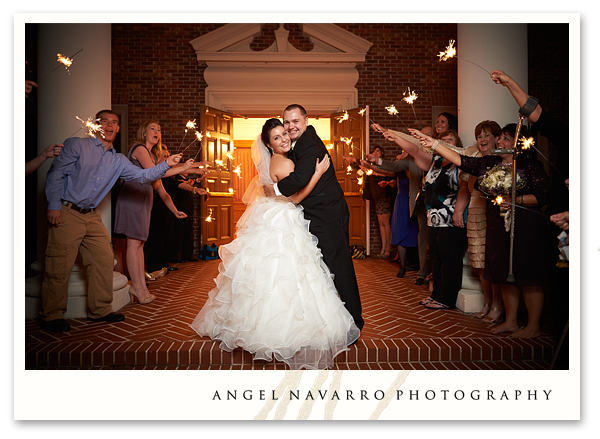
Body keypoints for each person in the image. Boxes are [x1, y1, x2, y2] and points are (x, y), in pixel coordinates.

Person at [191, 119, 360, 370]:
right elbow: (295, 197)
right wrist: (317, 173)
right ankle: (283, 327)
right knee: (285, 273)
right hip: (285, 216)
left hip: (281, 216)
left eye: (284, 134)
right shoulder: (280, 161)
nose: (284, 139)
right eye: (277, 138)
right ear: (269, 145)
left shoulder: (282, 157)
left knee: (284, 273)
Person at [41, 110, 187, 332]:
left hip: (91, 214)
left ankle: (99, 310)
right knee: (59, 264)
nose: (109, 126)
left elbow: (143, 176)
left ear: (118, 129)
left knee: (103, 259)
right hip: (66, 210)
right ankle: (51, 314)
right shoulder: (77, 145)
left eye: (114, 123)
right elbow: (55, 174)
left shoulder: (117, 159)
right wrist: (53, 205)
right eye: (105, 122)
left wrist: (167, 163)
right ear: (96, 126)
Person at [409, 123, 551, 338]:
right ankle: (510, 321)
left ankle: (533, 326)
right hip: (497, 222)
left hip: (525, 225)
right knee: (504, 272)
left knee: (528, 274)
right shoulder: (489, 163)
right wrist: (435, 143)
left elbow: (543, 196)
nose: (499, 142)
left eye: (504, 139)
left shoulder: (531, 166)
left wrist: (516, 199)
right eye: (500, 137)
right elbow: (461, 160)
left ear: (518, 144)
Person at [265, 105, 364, 331]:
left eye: (295, 121)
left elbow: (299, 178)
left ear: (306, 120)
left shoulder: (309, 142)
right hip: (318, 213)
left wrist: (274, 189)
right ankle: (328, 319)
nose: (291, 127)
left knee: (339, 267)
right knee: (320, 269)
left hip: (328, 214)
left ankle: (354, 322)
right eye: (287, 122)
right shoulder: (296, 145)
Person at [371, 123, 468, 310]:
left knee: (450, 260)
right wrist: (393, 135)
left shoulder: (460, 162)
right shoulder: (433, 162)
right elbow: (414, 150)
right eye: (443, 140)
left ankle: (447, 299)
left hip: (450, 220)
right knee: (437, 258)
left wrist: (458, 212)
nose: (446, 143)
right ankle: (436, 295)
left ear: (457, 145)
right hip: (433, 218)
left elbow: (464, 188)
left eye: (450, 140)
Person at [113, 120, 192, 304]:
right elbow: (153, 173)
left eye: (159, 129)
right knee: (133, 244)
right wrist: (181, 168)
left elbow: (162, 191)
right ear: (144, 132)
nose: (156, 131)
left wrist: (175, 211)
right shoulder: (140, 149)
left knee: (139, 244)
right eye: (152, 128)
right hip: (132, 199)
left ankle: (140, 286)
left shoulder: (153, 157)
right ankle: (138, 288)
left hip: (144, 201)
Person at [466, 121, 504, 323]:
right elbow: (465, 189)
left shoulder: (501, 161)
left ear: (496, 139)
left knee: (494, 260)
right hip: (475, 212)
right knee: (480, 262)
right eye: (479, 135)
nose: (482, 139)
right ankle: (487, 302)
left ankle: (498, 303)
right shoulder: (473, 159)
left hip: (494, 213)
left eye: (487, 135)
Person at [378, 151, 419, 277]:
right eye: (401, 152)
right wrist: (368, 165)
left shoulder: (416, 166)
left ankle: (416, 263)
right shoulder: (399, 169)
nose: (402, 154)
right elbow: (386, 171)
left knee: (414, 232)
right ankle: (402, 267)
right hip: (401, 201)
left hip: (413, 200)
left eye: (405, 152)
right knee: (400, 232)